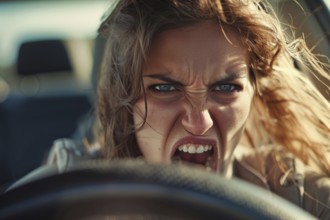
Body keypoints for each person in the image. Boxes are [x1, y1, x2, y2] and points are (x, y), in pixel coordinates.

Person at [7, 0, 330, 219]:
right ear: (126, 100)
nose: (199, 121)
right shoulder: (71, 194)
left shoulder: (292, 190)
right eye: (165, 88)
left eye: (226, 87)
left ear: (253, 93)